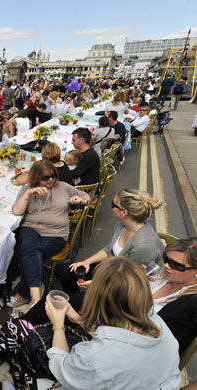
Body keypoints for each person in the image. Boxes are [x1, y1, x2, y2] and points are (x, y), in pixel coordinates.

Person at [44, 257, 180, 389]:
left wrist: (58, 325)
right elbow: (118, 337)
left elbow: (63, 370)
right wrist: (77, 318)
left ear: (94, 297)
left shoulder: (94, 358)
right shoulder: (158, 323)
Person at [9, 160, 90, 306]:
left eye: (53, 175)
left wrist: (81, 200)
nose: (51, 179)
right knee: (30, 248)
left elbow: (87, 196)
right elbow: (16, 211)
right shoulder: (27, 189)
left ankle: (26, 294)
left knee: (31, 252)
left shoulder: (63, 186)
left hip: (56, 234)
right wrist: (28, 193)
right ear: (35, 178)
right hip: (31, 228)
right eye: (45, 177)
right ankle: (36, 299)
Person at [56, 188, 164, 293]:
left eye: (113, 204)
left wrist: (96, 284)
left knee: (69, 302)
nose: (111, 207)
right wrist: (86, 262)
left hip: (120, 287)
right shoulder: (123, 224)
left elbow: (128, 281)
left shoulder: (144, 247)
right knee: (62, 271)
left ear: (124, 212)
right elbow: (109, 249)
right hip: (109, 270)